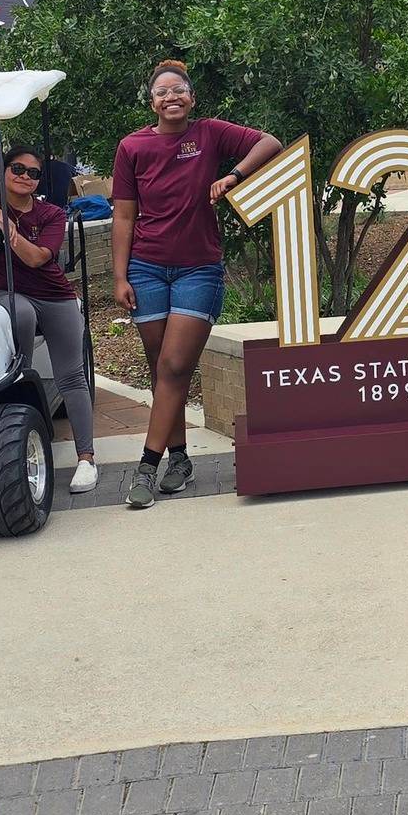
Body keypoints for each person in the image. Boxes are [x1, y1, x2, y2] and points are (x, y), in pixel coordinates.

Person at [112, 60, 282, 510]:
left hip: (198, 271)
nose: (171, 97)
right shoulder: (132, 147)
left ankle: (146, 468)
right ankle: (181, 460)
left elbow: (271, 142)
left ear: (191, 97)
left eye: (179, 90)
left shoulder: (208, 134)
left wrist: (233, 176)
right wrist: (119, 275)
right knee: (163, 371)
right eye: (162, 91)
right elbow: (124, 215)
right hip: (146, 269)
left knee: (171, 366)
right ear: (152, 102)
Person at [0, 144, 101, 493]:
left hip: (54, 294)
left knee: (72, 375)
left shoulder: (51, 214)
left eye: (33, 173)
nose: (25, 177)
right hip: (5, 292)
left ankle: (86, 457)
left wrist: (3, 222)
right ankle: (21, 424)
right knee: (20, 317)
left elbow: (37, 258)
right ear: (5, 170)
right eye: (18, 169)